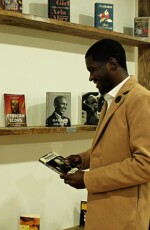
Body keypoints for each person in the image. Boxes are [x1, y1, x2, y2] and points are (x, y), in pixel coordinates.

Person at [60, 39, 150, 230]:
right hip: (106, 214)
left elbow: (144, 165)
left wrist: (87, 179)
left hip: (124, 220)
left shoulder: (140, 99)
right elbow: (114, 146)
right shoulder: (111, 99)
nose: (90, 78)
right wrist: (83, 159)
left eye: (92, 69)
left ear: (112, 63)